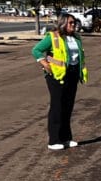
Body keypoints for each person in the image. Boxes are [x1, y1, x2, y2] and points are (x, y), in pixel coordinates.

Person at [32, 12, 88, 151]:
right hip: (56, 76)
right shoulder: (53, 37)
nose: (73, 25)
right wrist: (44, 63)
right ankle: (54, 140)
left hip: (72, 74)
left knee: (68, 106)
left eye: (74, 23)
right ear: (62, 23)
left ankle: (66, 138)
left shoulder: (76, 37)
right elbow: (36, 50)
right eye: (70, 23)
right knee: (57, 105)